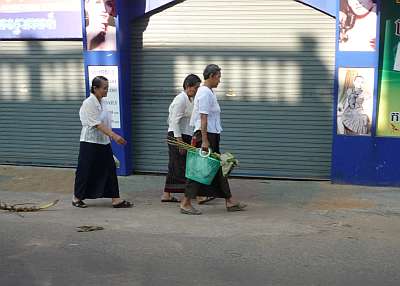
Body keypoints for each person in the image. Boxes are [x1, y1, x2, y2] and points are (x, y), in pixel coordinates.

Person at [180, 64, 246, 215]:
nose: (219, 81)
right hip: (205, 135)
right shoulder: (204, 93)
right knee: (199, 169)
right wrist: (204, 140)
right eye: (218, 77)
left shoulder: (209, 92)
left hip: (211, 135)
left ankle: (229, 201)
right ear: (211, 76)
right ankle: (185, 202)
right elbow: (203, 118)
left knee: (219, 168)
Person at [73, 76, 133, 208]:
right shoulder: (89, 103)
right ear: (95, 88)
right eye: (104, 88)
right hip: (89, 141)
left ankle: (116, 199)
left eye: (107, 88)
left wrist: (110, 137)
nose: (107, 91)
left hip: (103, 141)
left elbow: (106, 123)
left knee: (110, 168)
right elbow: (97, 124)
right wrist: (114, 136)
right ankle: (77, 197)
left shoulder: (103, 102)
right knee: (85, 169)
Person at [162, 74, 215, 205]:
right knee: (181, 166)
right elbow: (174, 122)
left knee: (176, 165)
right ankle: (196, 195)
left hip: (185, 136)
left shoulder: (191, 100)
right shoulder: (180, 99)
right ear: (188, 86)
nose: (197, 90)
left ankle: (167, 194)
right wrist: (180, 142)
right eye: (195, 87)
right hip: (176, 136)